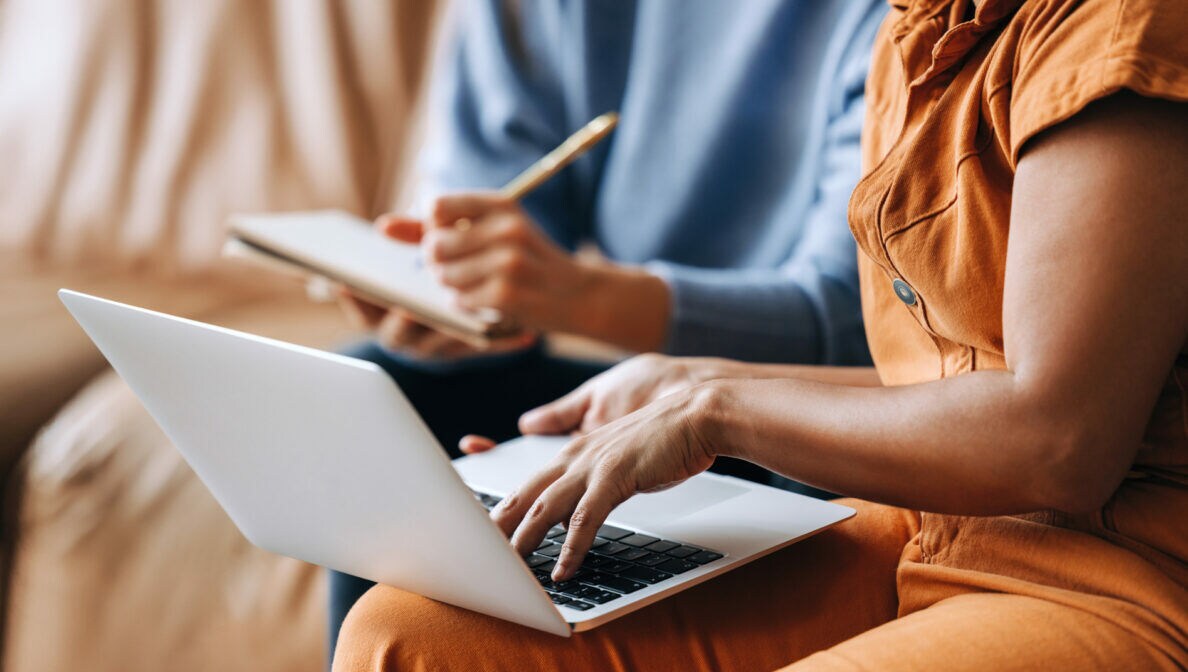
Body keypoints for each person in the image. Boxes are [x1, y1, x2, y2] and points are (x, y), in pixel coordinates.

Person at [331, 0, 1188, 669]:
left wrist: (721, 410)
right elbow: (945, 373)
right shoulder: (919, 34)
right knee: (410, 634)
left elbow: (1060, 441)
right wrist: (684, 386)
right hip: (924, 529)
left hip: (1112, 576)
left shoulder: (1116, 33)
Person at [326, 0, 890, 654]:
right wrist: (457, 300)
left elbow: (857, 321)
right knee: (389, 391)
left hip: (813, 413)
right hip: (653, 382)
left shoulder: (898, 18)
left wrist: (581, 297)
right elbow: (490, 208)